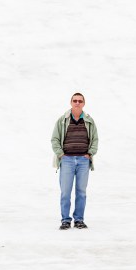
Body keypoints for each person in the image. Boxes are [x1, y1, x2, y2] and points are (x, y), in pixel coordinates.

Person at [51, 92, 99, 229]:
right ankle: (65, 220)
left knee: (81, 192)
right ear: (71, 102)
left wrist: (90, 153)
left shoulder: (89, 120)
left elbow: (95, 139)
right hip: (67, 160)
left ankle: (79, 220)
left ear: (84, 103)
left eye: (80, 101)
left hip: (84, 161)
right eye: (75, 100)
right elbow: (54, 139)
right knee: (65, 192)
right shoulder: (62, 120)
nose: (77, 103)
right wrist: (60, 154)